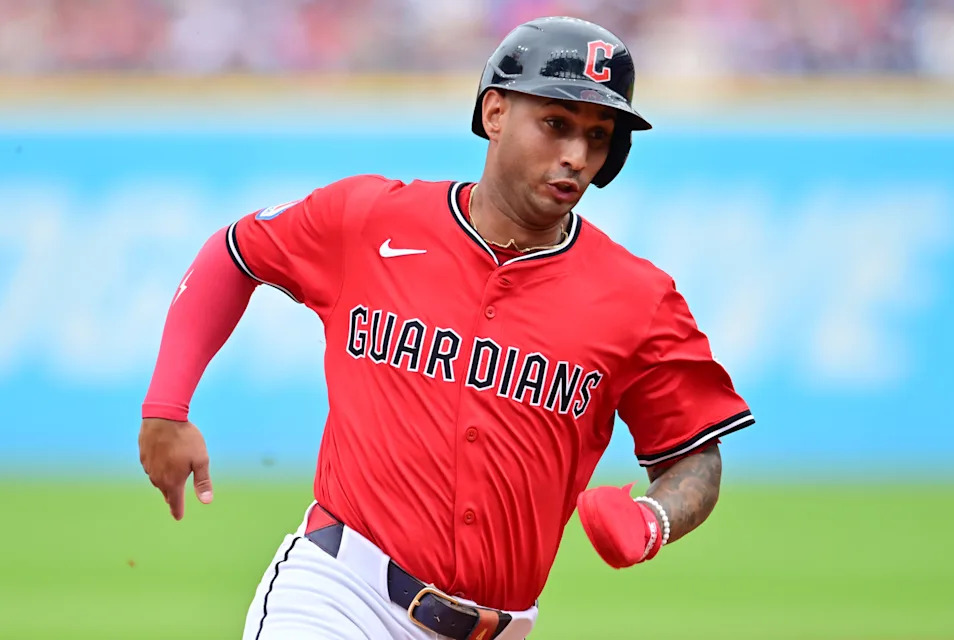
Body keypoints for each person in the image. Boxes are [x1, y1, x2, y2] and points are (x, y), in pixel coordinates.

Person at [139, 16, 754, 640]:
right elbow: (235, 252)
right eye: (555, 124)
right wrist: (166, 406)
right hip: (338, 595)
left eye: (598, 136)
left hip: (499, 627)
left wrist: (653, 519)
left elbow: (695, 457)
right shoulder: (373, 220)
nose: (576, 154)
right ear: (494, 113)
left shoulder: (637, 298)